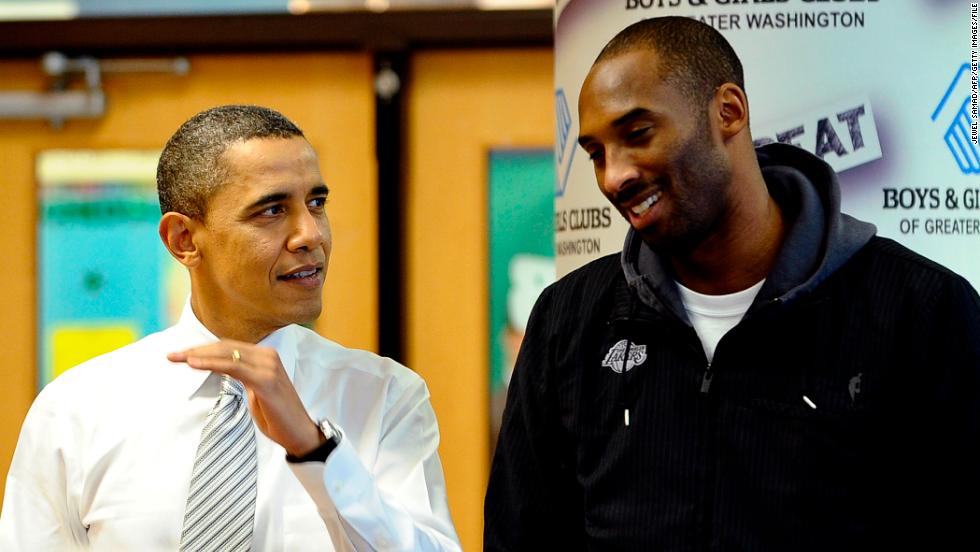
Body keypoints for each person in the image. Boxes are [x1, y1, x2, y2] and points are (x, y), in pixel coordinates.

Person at [485, 16, 980, 551]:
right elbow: (522, 535)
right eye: (596, 152)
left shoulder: (923, 311)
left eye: (637, 134)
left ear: (729, 111)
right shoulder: (570, 320)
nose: (613, 177)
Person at [0, 105, 461, 551]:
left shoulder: (384, 398)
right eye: (272, 210)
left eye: (315, 203)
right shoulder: (76, 411)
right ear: (184, 240)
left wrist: (316, 451)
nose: (311, 235)